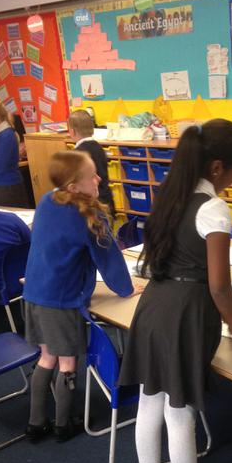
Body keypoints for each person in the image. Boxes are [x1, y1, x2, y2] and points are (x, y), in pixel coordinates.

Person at [118, 120, 232, 463]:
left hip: (154, 305)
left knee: (150, 402)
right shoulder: (213, 209)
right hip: (185, 312)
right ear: (217, 167)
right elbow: (219, 285)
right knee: (179, 412)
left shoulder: (170, 194)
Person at [23, 150, 137, 443]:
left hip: (34, 293)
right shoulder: (90, 216)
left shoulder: (48, 200)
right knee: (67, 363)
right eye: (92, 176)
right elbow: (109, 261)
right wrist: (127, 289)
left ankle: (36, 423)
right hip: (61, 302)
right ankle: (63, 425)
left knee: (46, 357)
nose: (98, 178)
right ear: (74, 187)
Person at [67, 109, 115, 217]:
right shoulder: (99, 147)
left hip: (93, 205)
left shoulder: (77, 154)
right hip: (107, 200)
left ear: (72, 131)